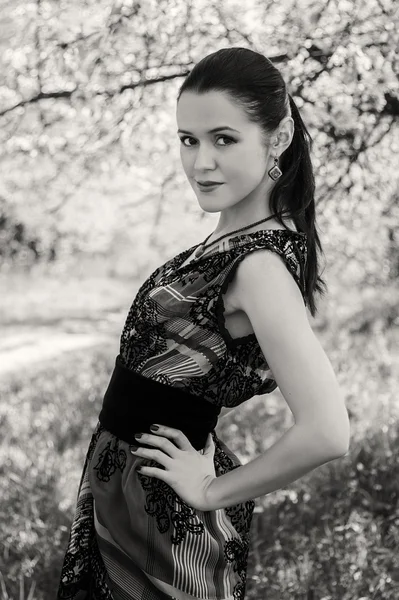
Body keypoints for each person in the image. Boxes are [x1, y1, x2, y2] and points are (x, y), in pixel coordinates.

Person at [56, 47, 350, 600]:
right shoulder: (226, 240)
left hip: (162, 524)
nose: (200, 163)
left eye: (223, 139)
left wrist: (213, 490)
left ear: (278, 137)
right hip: (121, 492)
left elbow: (328, 431)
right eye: (188, 140)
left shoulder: (259, 264)